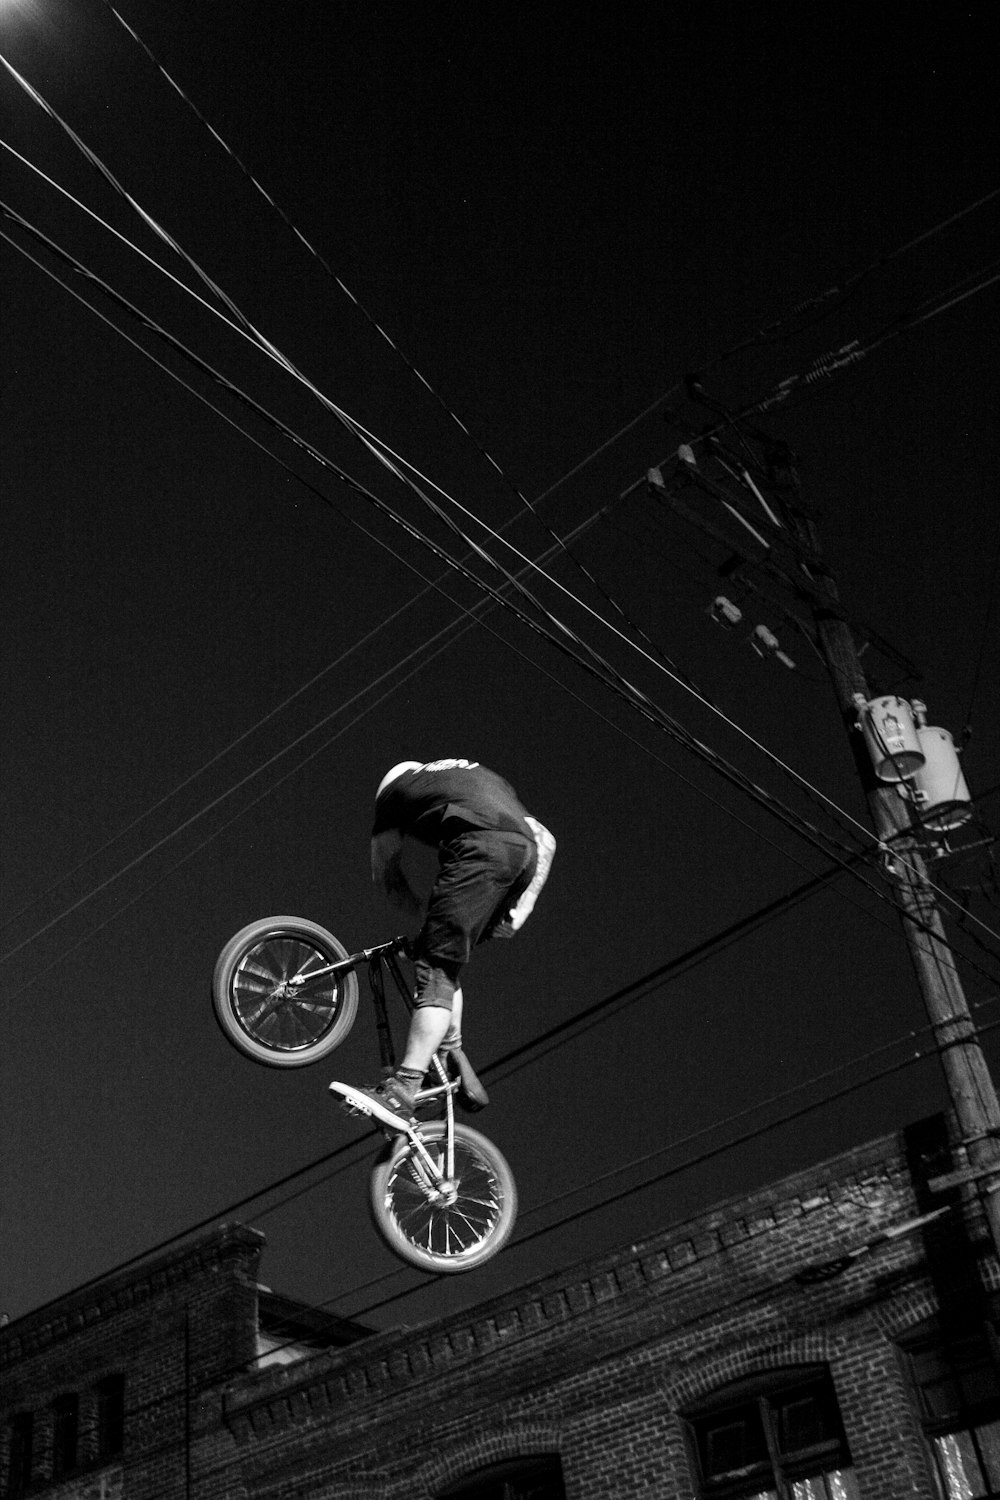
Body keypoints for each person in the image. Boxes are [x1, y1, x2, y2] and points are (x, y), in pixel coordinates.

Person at [330, 758, 555, 1128]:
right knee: (444, 958)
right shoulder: (480, 778)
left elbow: (385, 870)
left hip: (480, 851)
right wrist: (520, 908)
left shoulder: (395, 793)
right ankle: (451, 1053)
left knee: (435, 968)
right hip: (520, 858)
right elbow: (545, 838)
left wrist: (412, 906)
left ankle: (403, 1091)